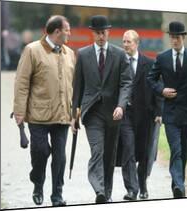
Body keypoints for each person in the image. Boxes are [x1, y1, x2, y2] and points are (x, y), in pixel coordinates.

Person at [13, 15, 75, 206]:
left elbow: (75, 85)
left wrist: (76, 113)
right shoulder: (32, 50)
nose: (69, 33)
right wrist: (19, 111)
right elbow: (22, 83)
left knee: (60, 158)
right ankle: (38, 183)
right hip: (38, 115)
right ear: (57, 32)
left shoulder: (70, 53)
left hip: (63, 115)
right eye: (67, 30)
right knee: (40, 152)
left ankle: (57, 195)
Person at [71, 15, 132, 203]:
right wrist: (74, 114)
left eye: (103, 32)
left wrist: (121, 106)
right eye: (97, 33)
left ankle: (106, 192)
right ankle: (99, 190)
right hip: (92, 113)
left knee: (109, 156)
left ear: (108, 32)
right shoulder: (82, 54)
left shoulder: (119, 54)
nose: (100, 36)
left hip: (113, 113)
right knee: (97, 151)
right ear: (92, 33)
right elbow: (77, 86)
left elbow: (126, 83)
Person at [147, 21, 187, 198]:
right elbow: (151, 79)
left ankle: (176, 183)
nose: (174, 40)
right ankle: (180, 187)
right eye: (172, 37)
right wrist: (162, 90)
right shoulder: (162, 57)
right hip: (171, 114)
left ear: (183, 37)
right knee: (176, 150)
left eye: (177, 37)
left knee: (184, 151)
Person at [117, 30, 163, 200]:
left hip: (145, 114)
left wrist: (159, 112)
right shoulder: (118, 61)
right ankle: (131, 189)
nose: (125, 45)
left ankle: (142, 183)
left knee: (144, 153)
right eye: (123, 41)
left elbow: (158, 88)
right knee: (128, 150)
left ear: (137, 43)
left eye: (128, 42)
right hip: (125, 114)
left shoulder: (150, 63)